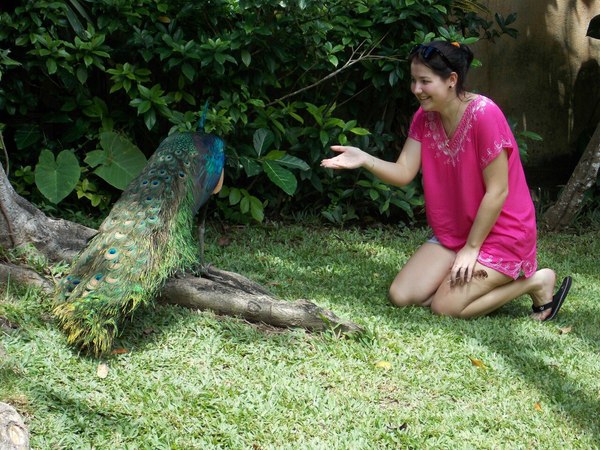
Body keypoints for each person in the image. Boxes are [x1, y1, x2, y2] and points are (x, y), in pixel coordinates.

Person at [321, 40, 572, 320]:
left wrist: (472, 248)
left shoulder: (484, 115)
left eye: (425, 81)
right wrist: (364, 159)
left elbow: (498, 192)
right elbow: (404, 172)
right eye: (414, 80)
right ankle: (460, 281)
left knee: (445, 308)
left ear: (452, 80)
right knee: (402, 295)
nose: (416, 89)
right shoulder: (424, 117)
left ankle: (535, 282)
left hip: (502, 234)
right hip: (455, 233)